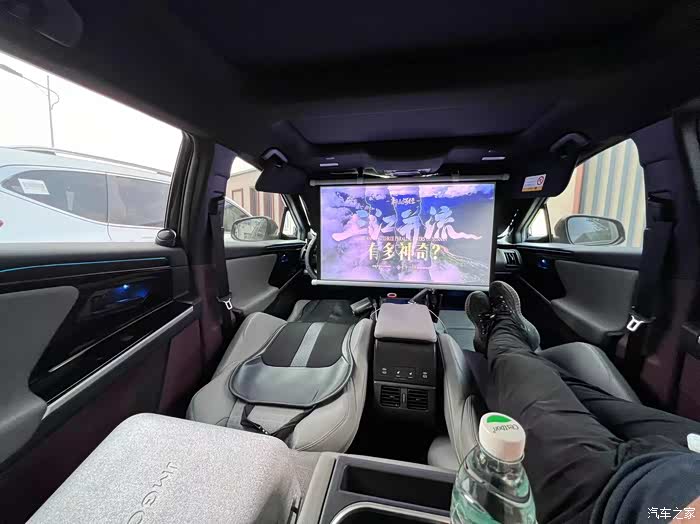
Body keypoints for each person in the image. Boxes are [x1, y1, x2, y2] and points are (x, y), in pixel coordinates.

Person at [466, 281, 700, 524]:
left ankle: (501, 333)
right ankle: (510, 344)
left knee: (518, 369)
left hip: (622, 501)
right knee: (571, 391)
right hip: (684, 462)